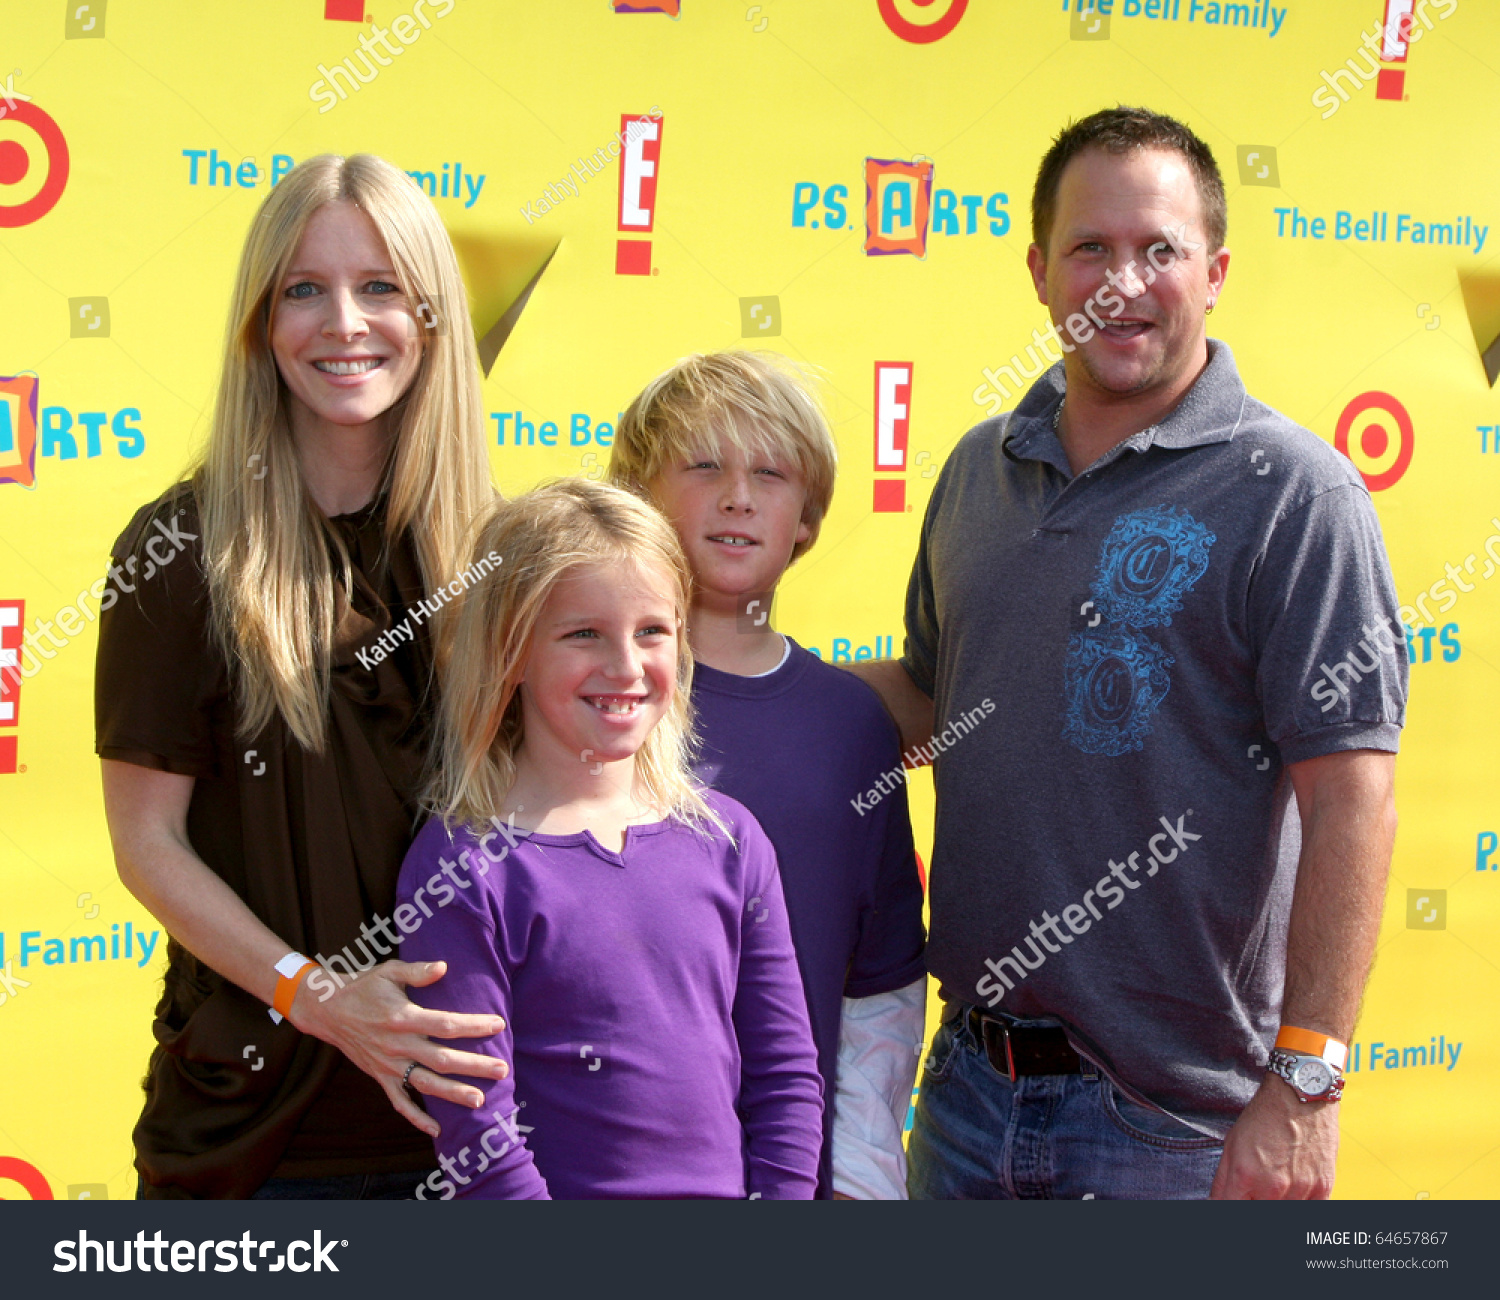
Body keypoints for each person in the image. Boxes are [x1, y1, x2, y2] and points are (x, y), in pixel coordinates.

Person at [850, 107, 1407, 1200]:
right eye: (1090, 248)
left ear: (1217, 270)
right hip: (964, 1090)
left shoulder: (1296, 494)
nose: (1124, 280)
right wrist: (718, 677)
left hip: (1172, 1125)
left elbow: (1353, 800)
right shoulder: (978, 468)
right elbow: (928, 696)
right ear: (1038, 271)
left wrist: (1304, 1087)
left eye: (1160, 249)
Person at [95, 154, 506, 1199]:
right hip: (258, 1140)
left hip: (479, 1126)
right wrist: (319, 996)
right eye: (303, 290)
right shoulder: (180, 550)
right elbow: (149, 844)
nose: (343, 322)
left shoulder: (498, 554)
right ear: (260, 323)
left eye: (378, 288)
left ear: (431, 315)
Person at [398, 479, 824, 1199]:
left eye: (652, 630)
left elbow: (784, 1077)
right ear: (511, 650)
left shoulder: (732, 842)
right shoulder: (462, 867)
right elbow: (478, 1129)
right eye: (583, 633)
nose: (625, 666)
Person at [608, 352, 928, 1199]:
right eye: (704, 464)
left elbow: (881, 987)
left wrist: (860, 1182)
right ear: (638, 494)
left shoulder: (851, 726)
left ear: (809, 520)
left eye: (770, 473)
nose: (737, 495)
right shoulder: (583, 703)